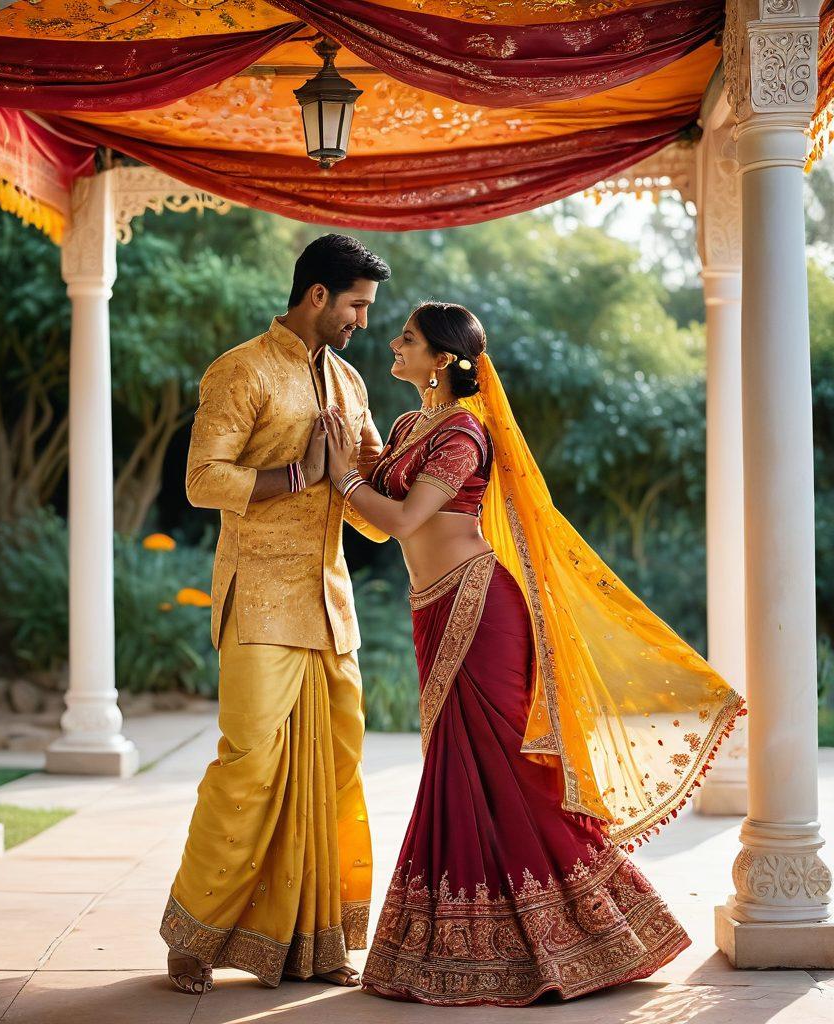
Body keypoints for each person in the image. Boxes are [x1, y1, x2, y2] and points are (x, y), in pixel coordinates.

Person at [322, 301, 745, 1007]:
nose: (393, 344)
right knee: (460, 769)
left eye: (409, 338)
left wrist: (343, 476)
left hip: (480, 608)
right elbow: (377, 525)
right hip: (433, 608)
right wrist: (346, 468)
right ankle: (482, 944)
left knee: (506, 771)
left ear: (445, 359)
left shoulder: (465, 431)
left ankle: (602, 931)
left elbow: (398, 518)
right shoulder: (406, 427)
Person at [161, 235, 392, 994]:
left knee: (338, 773)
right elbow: (201, 480)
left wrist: (412, 489)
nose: (362, 319)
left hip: (330, 606)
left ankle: (318, 943)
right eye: (357, 305)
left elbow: (365, 503)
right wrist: (300, 473)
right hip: (259, 598)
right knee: (249, 766)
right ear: (318, 296)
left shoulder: (352, 383)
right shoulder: (242, 369)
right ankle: (193, 936)